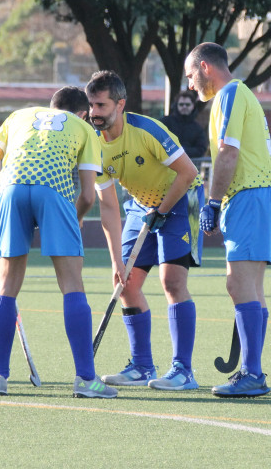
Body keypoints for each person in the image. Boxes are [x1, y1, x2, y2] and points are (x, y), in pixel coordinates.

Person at [0, 86, 116, 398]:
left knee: (6, 285)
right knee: (72, 284)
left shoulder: (19, 116)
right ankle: (86, 379)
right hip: (55, 192)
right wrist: (73, 218)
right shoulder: (84, 128)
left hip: (11, 190)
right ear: (82, 113)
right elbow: (89, 196)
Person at [85, 70, 204, 392]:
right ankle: (141, 365)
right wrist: (115, 262)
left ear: (120, 105)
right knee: (126, 284)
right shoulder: (92, 144)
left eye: (101, 105)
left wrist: (161, 211)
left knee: (172, 281)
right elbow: (108, 206)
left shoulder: (147, 130)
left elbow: (188, 172)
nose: (94, 113)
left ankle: (183, 371)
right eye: (91, 105)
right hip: (140, 206)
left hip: (180, 199)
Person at [184, 42, 271, 398]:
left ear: (206, 67)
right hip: (260, 194)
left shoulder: (229, 94)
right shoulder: (237, 95)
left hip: (250, 194)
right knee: (250, 287)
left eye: (191, 75)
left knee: (239, 284)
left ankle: (252, 373)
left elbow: (228, 151)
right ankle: (251, 370)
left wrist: (212, 201)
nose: (191, 85)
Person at [160, 90, 207, 160]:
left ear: (193, 106)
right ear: (176, 105)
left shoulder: (198, 128)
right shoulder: (165, 122)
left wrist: (181, 152)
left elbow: (201, 149)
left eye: (187, 104)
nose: (184, 107)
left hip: (190, 166)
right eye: (181, 104)